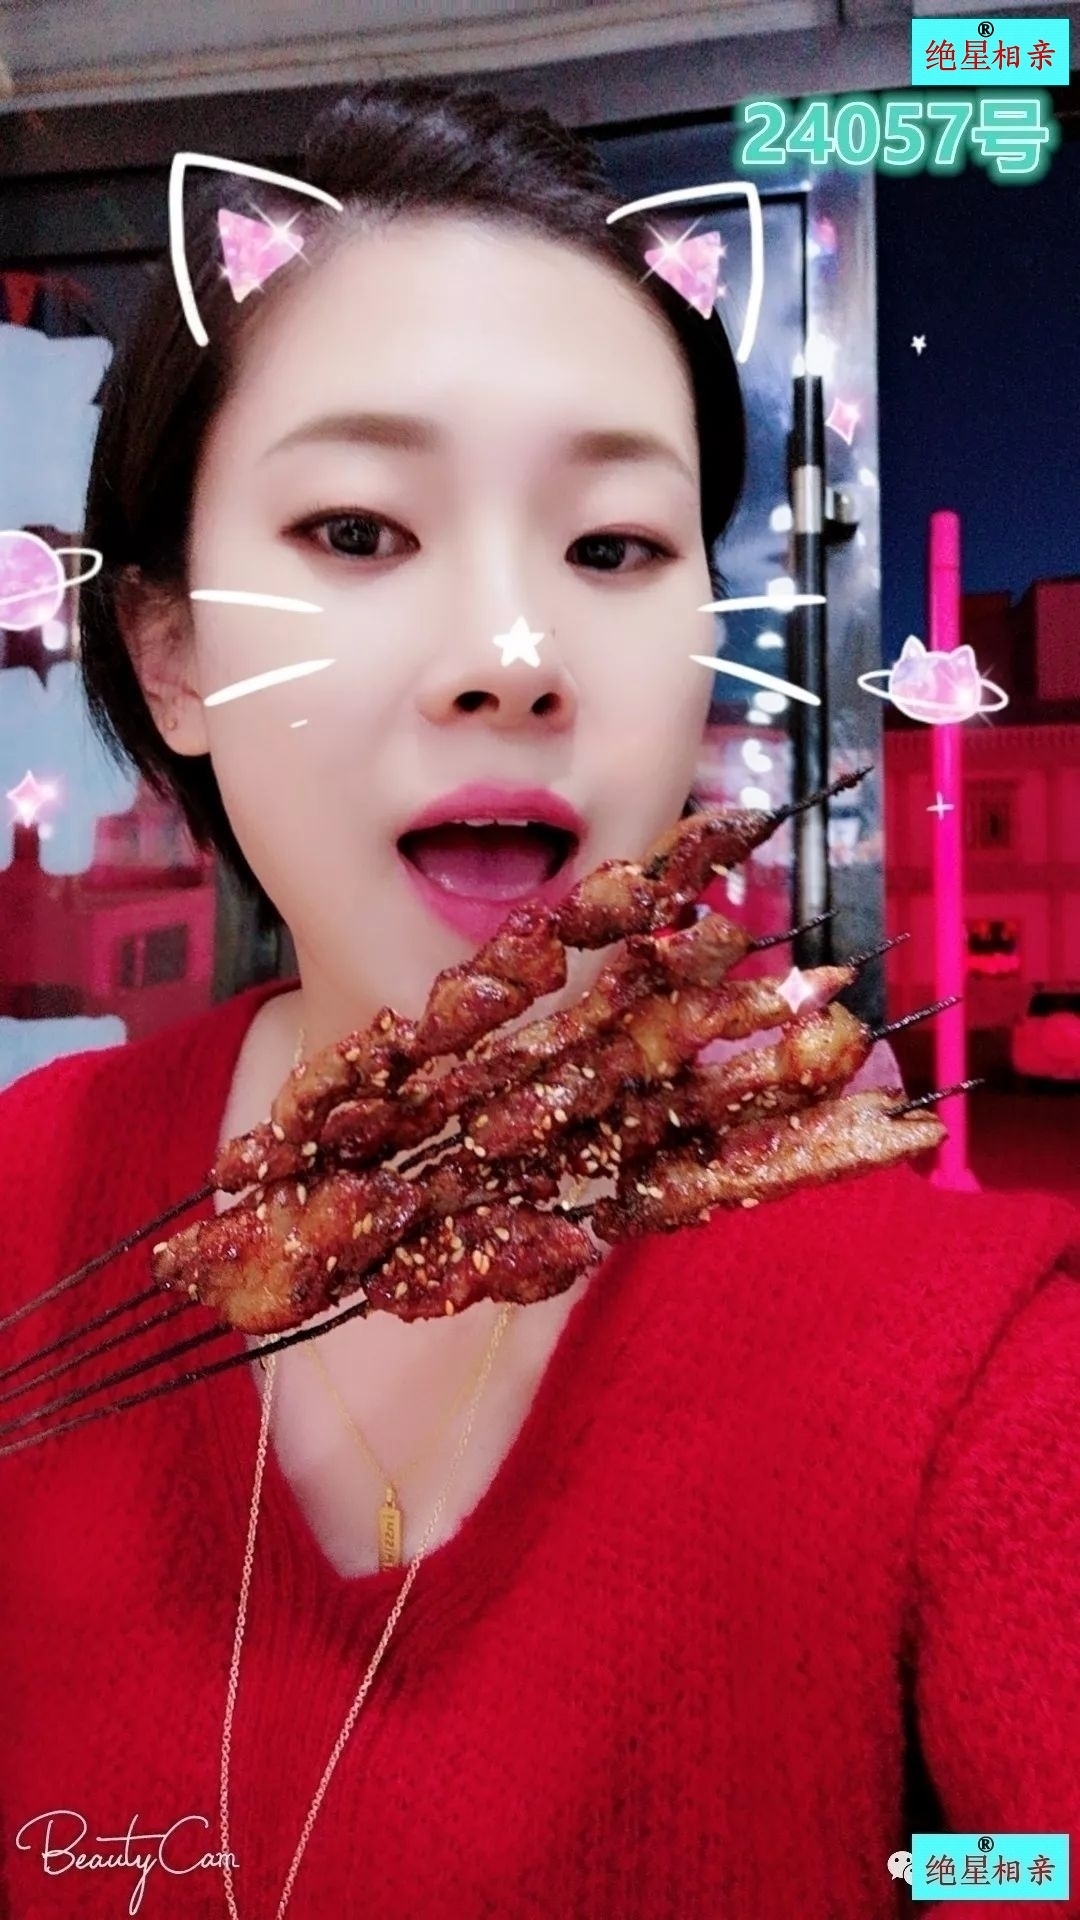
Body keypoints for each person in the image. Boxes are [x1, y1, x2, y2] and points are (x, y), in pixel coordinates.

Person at [0, 78, 1077, 1920]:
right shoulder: (25, 1199)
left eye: (612, 547)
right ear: (170, 654)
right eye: (359, 530)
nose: (512, 661)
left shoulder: (965, 1376)